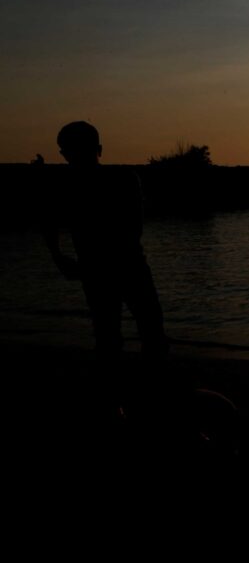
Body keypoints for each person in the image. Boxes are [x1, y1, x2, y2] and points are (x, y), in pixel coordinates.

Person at [43, 121, 168, 374]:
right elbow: (134, 228)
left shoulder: (66, 186)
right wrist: (59, 256)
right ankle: (149, 387)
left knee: (111, 333)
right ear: (99, 149)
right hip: (127, 266)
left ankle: (118, 391)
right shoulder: (123, 179)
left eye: (67, 151)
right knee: (146, 329)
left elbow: (49, 222)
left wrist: (59, 256)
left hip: (98, 269)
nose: (68, 156)